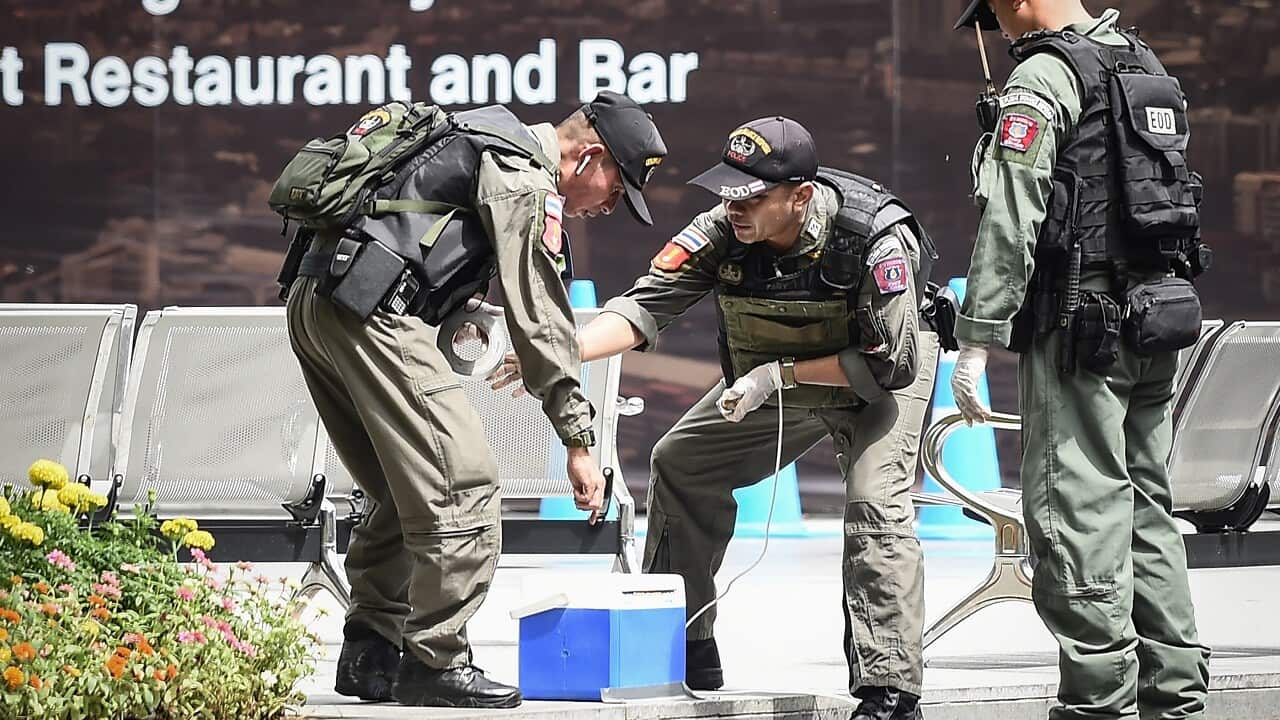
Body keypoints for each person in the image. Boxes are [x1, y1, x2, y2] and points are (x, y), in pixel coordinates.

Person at [491, 116, 940, 720]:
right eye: (727, 191)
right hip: (771, 383)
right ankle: (684, 643)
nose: (734, 207)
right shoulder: (721, 231)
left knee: (873, 501)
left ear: (800, 197)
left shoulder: (873, 238)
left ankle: (890, 689)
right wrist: (552, 350)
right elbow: (644, 307)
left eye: (752, 196)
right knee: (680, 462)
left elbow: (893, 363)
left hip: (877, 382)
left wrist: (778, 376)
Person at [280, 91, 667, 708]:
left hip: (319, 304)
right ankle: (436, 660)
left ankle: (371, 653)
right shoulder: (523, 176)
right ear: (589, 157)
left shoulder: (480, 133)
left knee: (398, 488)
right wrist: (578, 440)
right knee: (463, 484)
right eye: (617, 189)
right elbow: (541, 318)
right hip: (374, 315)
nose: (611, 206)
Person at [950, 2, 1212, 718]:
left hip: (1080, 329)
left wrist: (977, 334)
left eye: (997, 14)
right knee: (1144, 509)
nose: (998, 30)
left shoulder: (1046, 72)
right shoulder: (1140, 60)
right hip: (1153, 319)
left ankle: (1098, 702)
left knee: (1075, 509)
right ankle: (1176, 697)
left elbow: (1013, 206)